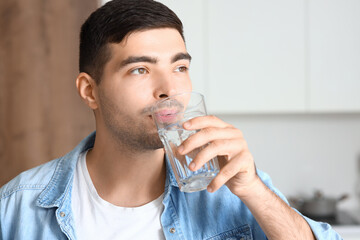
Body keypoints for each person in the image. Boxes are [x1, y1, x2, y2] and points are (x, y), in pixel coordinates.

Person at [0, 0, 341, 239]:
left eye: (180, 67)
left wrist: (253, 189)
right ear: (90, 91)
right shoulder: (17, 208)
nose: (169, 90)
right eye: (140, 70)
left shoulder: (233, 189)